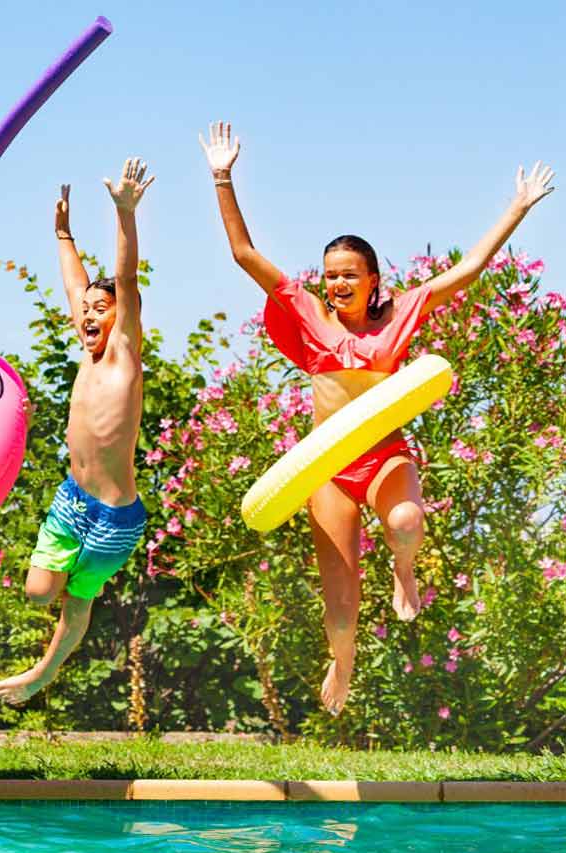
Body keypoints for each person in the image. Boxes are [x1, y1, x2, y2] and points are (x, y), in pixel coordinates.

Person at [199, 119, 555, 714]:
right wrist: (221, 175)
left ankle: (405, 571)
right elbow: (243, 253)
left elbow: (466, 272)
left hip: (385, 453)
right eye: (330, 274)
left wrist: (516, 208)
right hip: (330, 468)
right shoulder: (308, 313)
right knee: (341, 607)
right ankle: (342, 664)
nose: (337, 283)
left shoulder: (399, 314)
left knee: (409, 521)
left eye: (349, 275)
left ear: (372, 281)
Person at [0, 159, 153, 706]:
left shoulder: (124, 355)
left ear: (121, 318)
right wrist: (62, 234)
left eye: (100, 309)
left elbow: (124, 280)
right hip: (72, 501)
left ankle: (42, 673)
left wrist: (123, 213)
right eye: (84, 310)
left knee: (76, 604)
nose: (87, 314)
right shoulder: (86, 351)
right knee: (39, 593)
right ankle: (45, 661)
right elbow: (74, 284)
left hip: (115, 517)